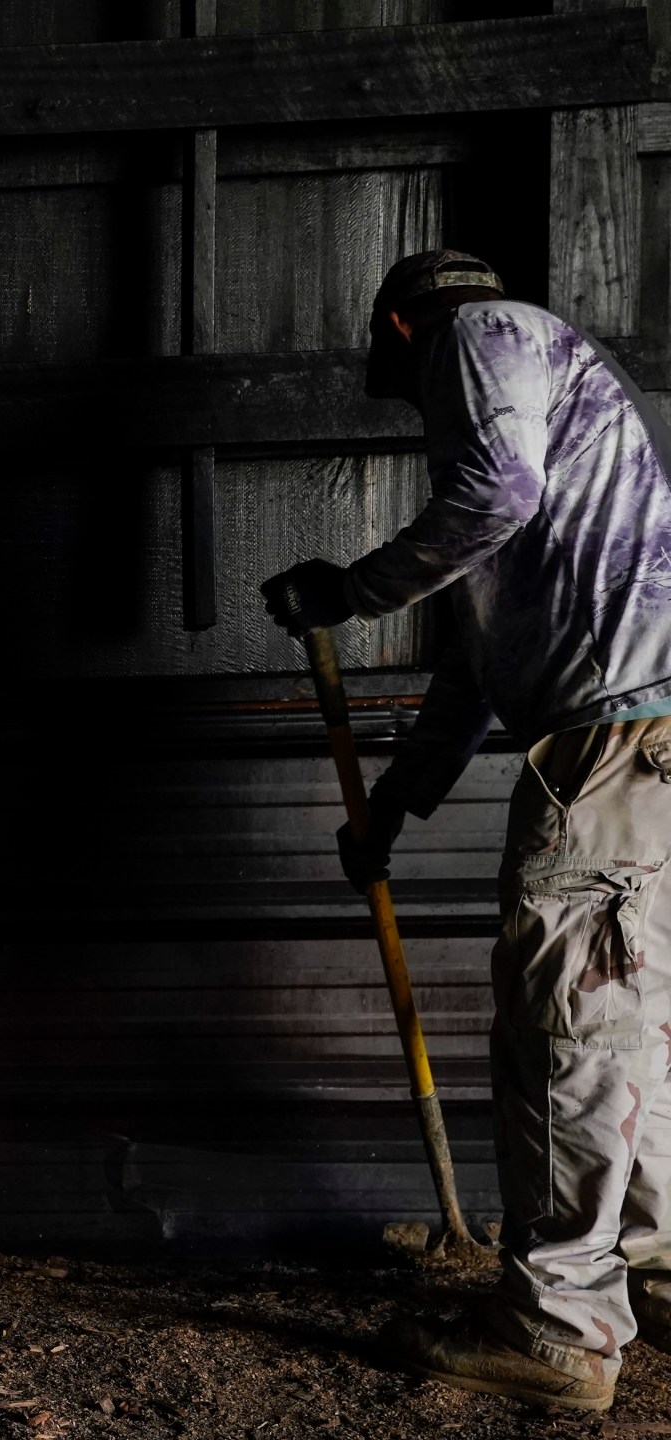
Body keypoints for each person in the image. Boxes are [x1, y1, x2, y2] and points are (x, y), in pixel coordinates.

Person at [263, 249, 671, 1412]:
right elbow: (484, 662)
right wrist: (396, 802)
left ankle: (559, 1327)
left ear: (398, 326)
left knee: (569, 1033)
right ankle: (649, 1269)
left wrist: (351, 589)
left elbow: (495, 494)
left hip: (608, 751)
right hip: (649, 748)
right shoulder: (557, 415)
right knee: (633, 1031)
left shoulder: (477, 335)